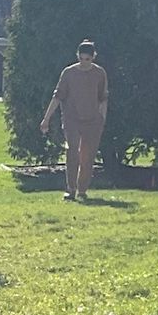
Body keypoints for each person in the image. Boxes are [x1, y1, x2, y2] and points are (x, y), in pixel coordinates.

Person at [40, 40, 108, 201]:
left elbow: (103, 98)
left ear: (93, 58)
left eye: (88, 59)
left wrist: (102, 119)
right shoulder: (68, 73)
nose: (84, 63)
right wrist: (46, 119)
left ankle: (82, 190)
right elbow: (57, 97)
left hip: (92, 120)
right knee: (72, 151)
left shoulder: (100, 73)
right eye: (81, 58)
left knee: (87, 156)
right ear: (77, 56)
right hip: (72, 119)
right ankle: (71, 189)